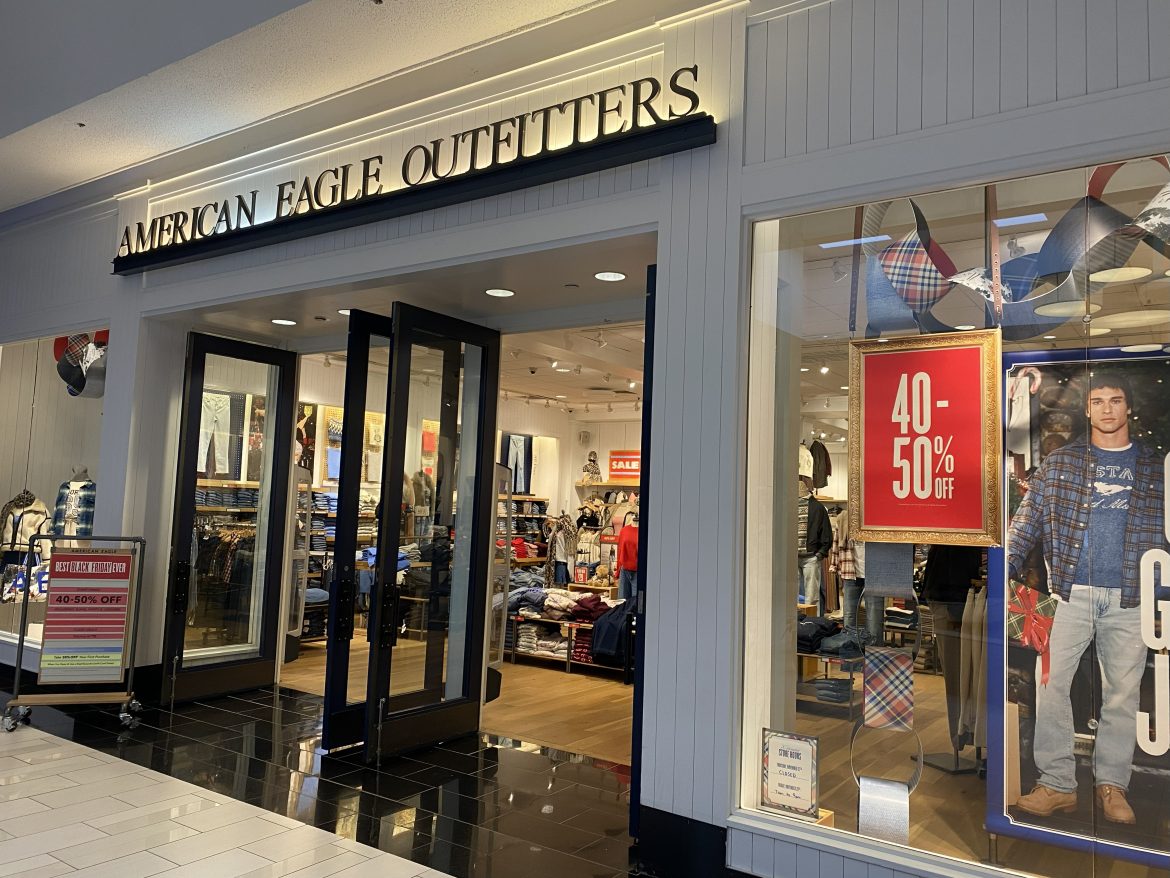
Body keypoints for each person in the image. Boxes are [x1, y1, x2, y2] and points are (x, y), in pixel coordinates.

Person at [1008, 372, 1163, 825]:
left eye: (1116, 400)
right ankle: (1057, 784)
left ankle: (1112, 784)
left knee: (1122, 695)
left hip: (1133, 597)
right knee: (1049, 685)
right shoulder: (1061, 463)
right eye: (1098, 401)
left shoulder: (1156, 466)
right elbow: (1025, 523)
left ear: (1128, 407)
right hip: (1068, 593)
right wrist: (1004, 570)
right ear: (1088, 409)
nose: (1107, 409)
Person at [829, 509, 882, 644]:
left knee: (874, 617)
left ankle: (873, 650)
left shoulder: (877, 516)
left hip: (874, 574)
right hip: (850, 572)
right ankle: (849, 647)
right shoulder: (844, 518)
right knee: (849, 615)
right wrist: (834, 565)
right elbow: (836, 543)